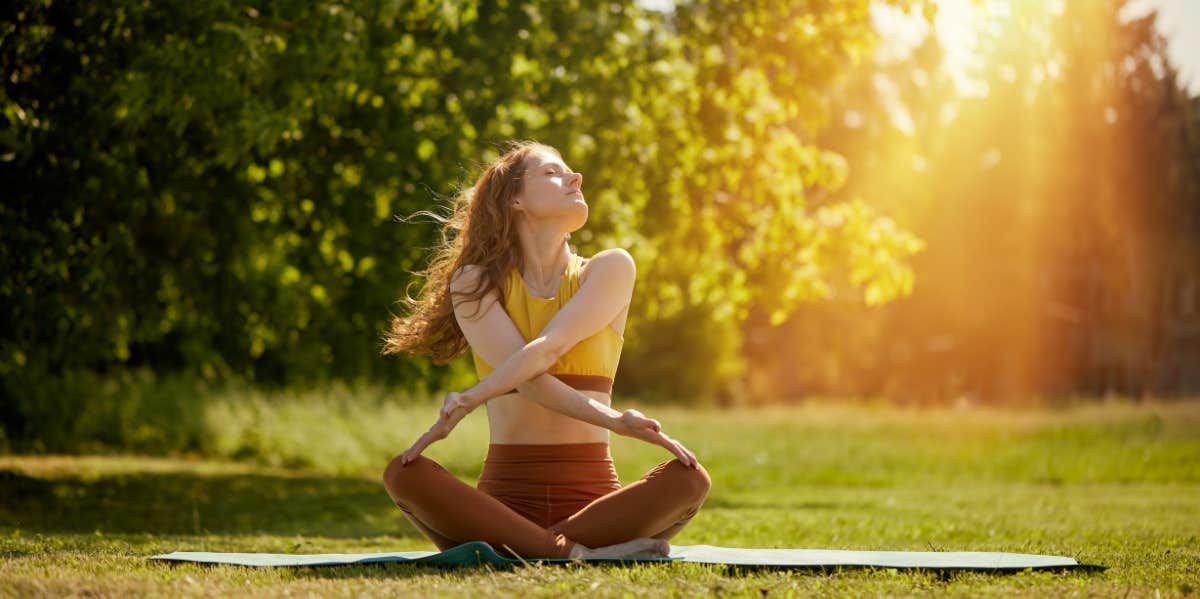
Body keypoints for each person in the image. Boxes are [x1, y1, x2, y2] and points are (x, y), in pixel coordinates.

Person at [379, 139, 711, 560]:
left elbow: (548, 348)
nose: (575, 177)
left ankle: (537, 548)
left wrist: (468, 400)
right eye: (552, 172)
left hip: (595, 504)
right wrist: (615, 419)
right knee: (403, 475)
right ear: (514, 198)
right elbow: (531, 382)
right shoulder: (474, 282)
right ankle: (581, 553)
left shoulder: (609, 268)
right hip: (504, 502)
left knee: (690, 479)